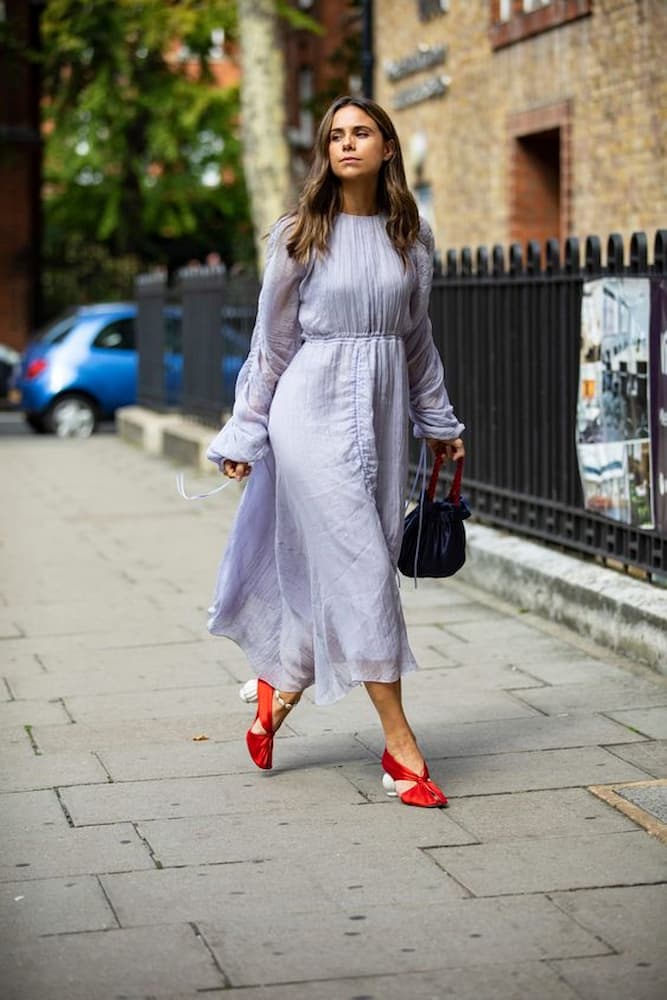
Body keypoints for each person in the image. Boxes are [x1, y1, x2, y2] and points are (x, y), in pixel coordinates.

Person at [206, 96, 465, 808]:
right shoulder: (299, 234)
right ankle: (401, 748)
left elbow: (416, 342)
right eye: (335, 135)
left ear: (386, 147)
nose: (347, 144)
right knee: (361, 571)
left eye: (361, 133)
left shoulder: (411, 238)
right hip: (307, 410)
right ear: (325, 151)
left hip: (382, 417)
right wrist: (246, 432)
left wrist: (438, 421)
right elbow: (272, 344)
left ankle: (277, 691)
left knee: (357, 559)